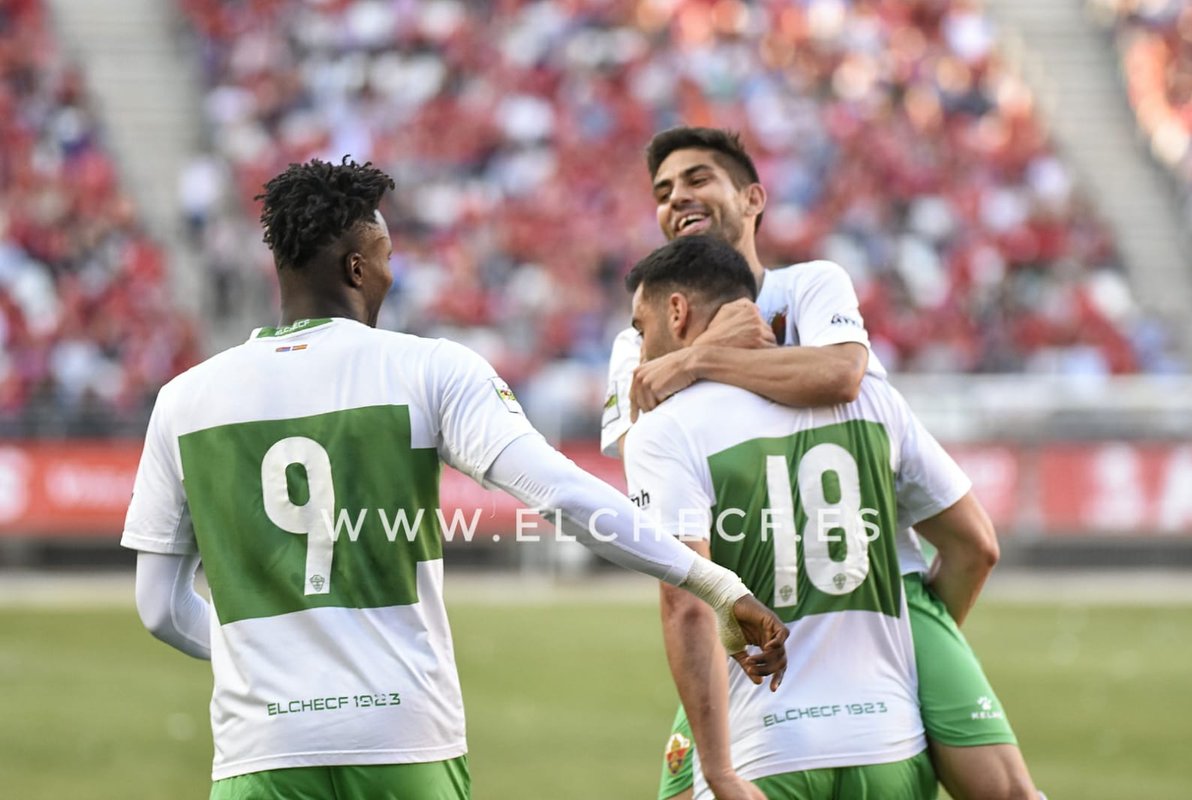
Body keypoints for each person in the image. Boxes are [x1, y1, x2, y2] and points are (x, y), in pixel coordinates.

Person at [122, 157, 788, 800]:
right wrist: (715, 583)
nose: (389, 274)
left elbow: (160, 606)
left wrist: (262, 659)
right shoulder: (426, 369)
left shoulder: (185, 399)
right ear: (356, 265)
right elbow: (559, 493)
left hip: (260, 749)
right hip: (403, 738)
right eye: (384, 258)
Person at [601, 128, 1040, 800]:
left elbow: (841, 373)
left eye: (696, 179)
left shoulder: (807, 285)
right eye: (662, 192)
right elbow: (651, 469)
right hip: (750, 611)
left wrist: (696, 359)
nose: (676, 198)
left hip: (873, 591)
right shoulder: (637, 337)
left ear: (753, 199)